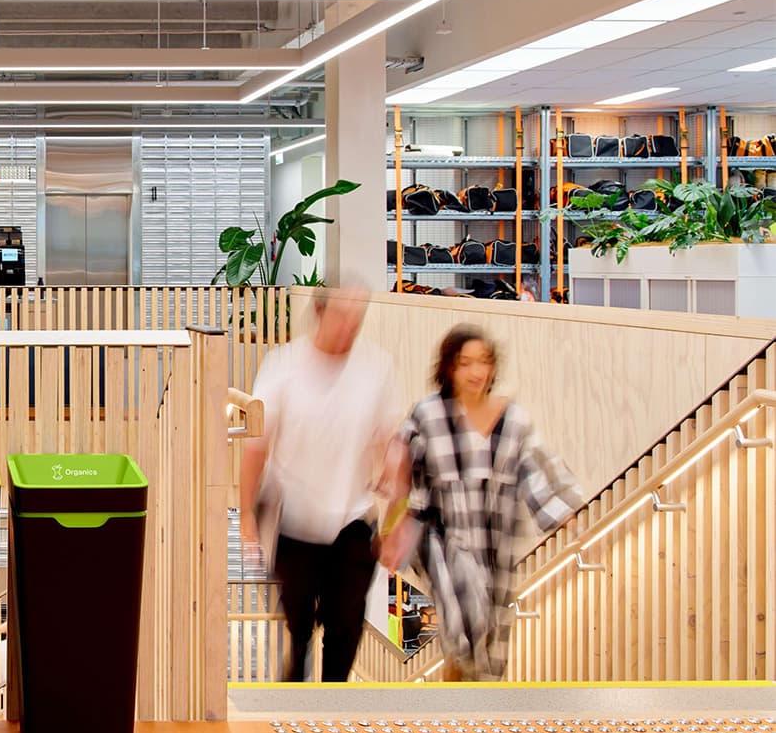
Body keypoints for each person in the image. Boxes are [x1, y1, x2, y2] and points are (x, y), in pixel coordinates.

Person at [381, 326, 578, 681]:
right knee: (462, 618)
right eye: (465, 363)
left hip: (494, 540)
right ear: (448, 368)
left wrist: (567, 516)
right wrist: (393, 527)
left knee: (487, 640)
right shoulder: (428, 415)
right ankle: (459, 710)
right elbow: (401, 471)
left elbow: (535, 469)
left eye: (484, 362)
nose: (477, 372)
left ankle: (463, 717)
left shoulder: (512, 419)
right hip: (440, 533)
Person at [241, 285, 402, 683]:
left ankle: (331, 707)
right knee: (299, 624)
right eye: (341, 317)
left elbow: (392, 440)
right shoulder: (284, 365)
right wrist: (245, 513)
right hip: (293, 519)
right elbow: (256, 446)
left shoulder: (375, 367)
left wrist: (395, 510)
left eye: (357, 318)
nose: (349, 327)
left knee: (346, 624)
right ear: (319, 313)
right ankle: (295, 692)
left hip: (352, 519)